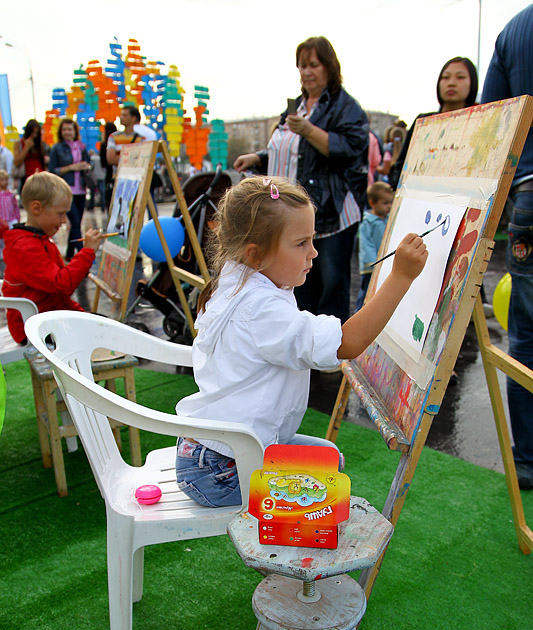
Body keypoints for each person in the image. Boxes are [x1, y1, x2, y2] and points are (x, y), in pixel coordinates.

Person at [174, 176, 428, 507]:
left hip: (213, 452)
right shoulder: (260, 308)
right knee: (325, 482)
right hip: (220, 471)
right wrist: (401, 277)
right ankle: (289, 554)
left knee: (328, 460)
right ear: (256, 254)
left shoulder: (242, 280)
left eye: (312, 240)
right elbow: (347, 343)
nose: (314, 252)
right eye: (301, 243)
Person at [233, 36, 369, 324]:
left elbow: (352, 150)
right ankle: (304, 348)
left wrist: (309, 130)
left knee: (332, 282)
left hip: (332, 212)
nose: (306, 72)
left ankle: (332, 352)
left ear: (329, 67)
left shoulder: (346, 106)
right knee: (297, 278)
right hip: (294, 211)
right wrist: (258, 158)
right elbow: (291, 153)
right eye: (301, 66)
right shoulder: (298, 105)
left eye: (313, 65)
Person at [481, 5, 533, 491]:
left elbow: (494, 125)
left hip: (529, 193)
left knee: (526, 340)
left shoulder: (515, 30)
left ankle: (528, 462)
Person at [2, 172, 102, 345]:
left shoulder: (38, 239)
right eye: (60, 214)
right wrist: (87, 252)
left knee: (104, 326)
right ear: (36, 208)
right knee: (102, 335)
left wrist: (84, 315)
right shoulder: (25, 247)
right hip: (34, 326)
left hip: (47, 316)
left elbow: (59, 295)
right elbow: (61, 284)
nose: (64, 221)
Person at [389, 57, 478, 190]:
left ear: (472, 83)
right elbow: (401, 166)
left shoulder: (479, 123)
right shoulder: (424, 122)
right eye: (446, 77)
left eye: (460, 77)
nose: (451, 83)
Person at [48, 118, 92, 261]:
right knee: (74, 222)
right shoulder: (57, 148)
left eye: (70, 129)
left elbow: (89, 164)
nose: (67, 132)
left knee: (76, 223)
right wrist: (71, 167)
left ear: (75, 131)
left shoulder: (81, 146)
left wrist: (86, 166)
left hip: (81, 188)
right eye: (65, 129)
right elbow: (52, 170)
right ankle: (82, 255)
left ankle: (69, 253)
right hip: (66, 190)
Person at [356, 181, 394, 311]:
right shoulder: (368, 222)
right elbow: (365, 243)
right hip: (371, 265)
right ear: (373, 203)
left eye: (390, 202)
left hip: (384, 263)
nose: (389, 206)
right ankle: (358, 313)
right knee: (366, 291)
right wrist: (372, 262)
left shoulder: (389, 219)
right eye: (385, 203)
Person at [12, 119, 47, 188]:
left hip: (40, 176)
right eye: (32, 132)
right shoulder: (19, 143)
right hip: (26, 178)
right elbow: (16, 162)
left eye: (36, 133)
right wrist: (26, 148)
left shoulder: (40, 144)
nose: (34, 135)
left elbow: (42, 162)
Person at [0, 168, 20, 270]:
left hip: (10, 221)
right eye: (2, 180)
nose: (4, 182)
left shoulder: (11, 194)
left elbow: (15, 207)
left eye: (5, 180)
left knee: (10, 243)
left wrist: (17, 219)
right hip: (1, 223)